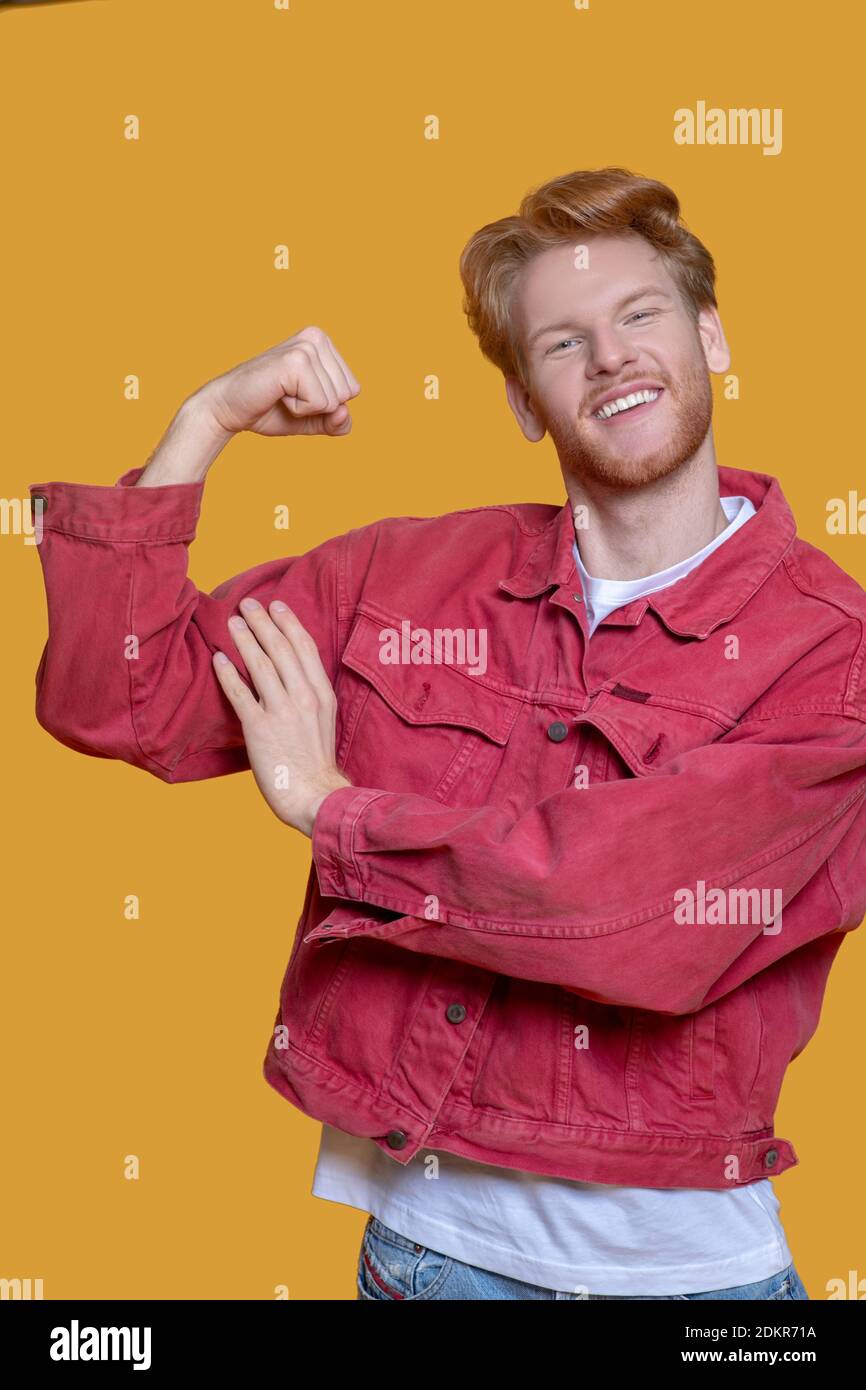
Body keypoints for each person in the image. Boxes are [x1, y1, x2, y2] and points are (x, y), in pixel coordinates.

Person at [28, 167, 866, 1300]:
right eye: (560, 343)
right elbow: (119, 700)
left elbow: (633, 920)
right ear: (523, 398)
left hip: (690, 1283)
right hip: (427, 1262)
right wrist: (202, 425)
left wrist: (334, 811)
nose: (610, 357)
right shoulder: (404, 577)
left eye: (638, 314)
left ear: (709, 335)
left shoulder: (827, 649)